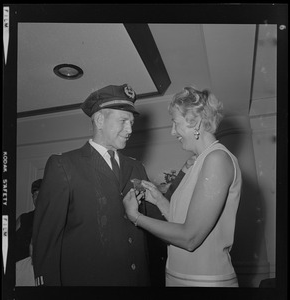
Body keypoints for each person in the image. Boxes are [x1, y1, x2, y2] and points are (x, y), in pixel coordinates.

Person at [31, 84, 184, 286]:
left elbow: (159, 224)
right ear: (100, 120)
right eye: (123, 121)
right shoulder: (64, 165)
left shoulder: (136, 167)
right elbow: (46, 242)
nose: (130, 129)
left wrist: (183, 177)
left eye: (131, 122)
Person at [123, 86, 242, 287]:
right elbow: (185, 223)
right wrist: (160, 200)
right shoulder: (199, 161)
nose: (172, 131)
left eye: (175, 123)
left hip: (205, 281)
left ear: (194, 123)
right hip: (180, 277)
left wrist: (136, 217)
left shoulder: (217, 159)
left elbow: (190, 237)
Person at [16, 178, 42, 286]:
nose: (37, 197)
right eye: (34, 194)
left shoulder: (55, 218)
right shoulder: (23, 218)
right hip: (18, 270)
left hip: (36, 274)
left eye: (40, 193)